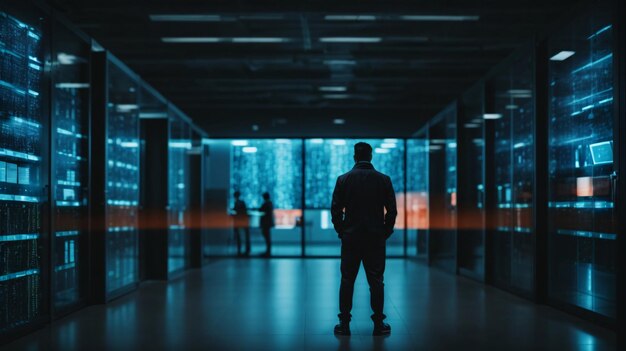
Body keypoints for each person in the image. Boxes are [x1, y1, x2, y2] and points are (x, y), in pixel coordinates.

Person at [330, 142, 397, 336]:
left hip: (351, 237)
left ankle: (344, 324)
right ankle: (378, 324)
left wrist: (342, 230)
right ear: (371, 156)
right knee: (376, 280)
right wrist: (385, 231)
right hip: (375, 238)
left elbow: (335, 210)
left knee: (347, 279)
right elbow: (391, 211)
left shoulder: (343, 179)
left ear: (354, 157)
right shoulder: (383, 180)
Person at [231, 191, 250, 256]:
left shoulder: (239, 203)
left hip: (240, 222)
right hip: (241, 222)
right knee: (241, 237)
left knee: (241, 236)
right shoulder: (239, 202)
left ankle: (243, 250)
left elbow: (240, 212)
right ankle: (242, 250)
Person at [259, 192, 274, 257]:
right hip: (267, 222)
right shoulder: (269, 203)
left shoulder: (267, 204)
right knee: (267, 236)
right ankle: (268, 251)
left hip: (266, 223)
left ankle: (268, 251)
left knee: (266, 236)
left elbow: (261, 210)